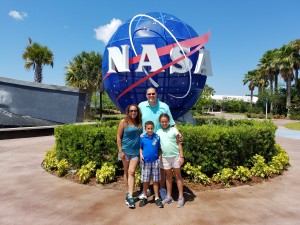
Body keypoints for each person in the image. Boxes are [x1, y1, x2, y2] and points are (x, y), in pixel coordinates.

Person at [138, 87, 177, 200]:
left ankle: (162, 189)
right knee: (147, 166)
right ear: (146, 95)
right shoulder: (141, 106)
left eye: (153, 93)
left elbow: (172, 123)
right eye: (149, 94)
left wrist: (178, 134)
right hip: (147, 142)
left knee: (161, 167)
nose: (151, 96)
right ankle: (148, 190)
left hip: (161, 140)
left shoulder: (164, 106)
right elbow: (136, 121)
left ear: (157, 94)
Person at [117, 104, 143, 208]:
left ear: (138, 112)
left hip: (136, 152)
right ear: (128, 112)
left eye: (135, 111)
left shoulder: (140, 122)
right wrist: (120, 150)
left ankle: (131, 196)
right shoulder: (124, 122)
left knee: (131, 171)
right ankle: (128, 192)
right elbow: (118, 137)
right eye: (131, 111)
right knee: (126, 172)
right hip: (125, 151)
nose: (133, 113)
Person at [156, 113, 185, 208]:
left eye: (166, 121)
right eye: (162, 122)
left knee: (178, 176)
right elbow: (156, 145)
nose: (164, 123)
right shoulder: (158, 132)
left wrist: (181, 156)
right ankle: (168, 196)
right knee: (168, 177)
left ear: (169, 121)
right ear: (160, 122)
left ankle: (181, 197)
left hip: (176, 156)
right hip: (165, 158)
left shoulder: (174, 130)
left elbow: (179, 143)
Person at [139, 121, 164, 208]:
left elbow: (159, 149)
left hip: (155, 161)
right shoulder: (143, 138)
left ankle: (157, 197)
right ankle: (145, 197)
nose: (150, 130)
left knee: (156, 180)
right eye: (148, 128)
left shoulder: (157, 137)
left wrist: (160, 156)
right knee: (146, 180)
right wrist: (141, 155)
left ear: (154, 128)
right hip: (146, 161)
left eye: (151, 128)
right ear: (145, 129)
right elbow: (141, 148)